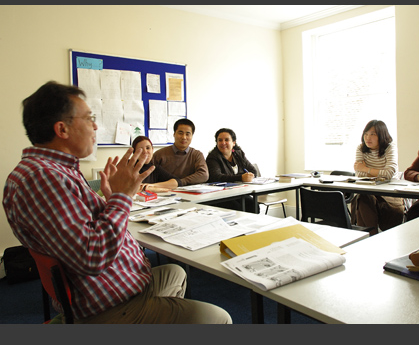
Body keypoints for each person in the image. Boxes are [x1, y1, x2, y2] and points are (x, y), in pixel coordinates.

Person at [2, 81, 232, 324]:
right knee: (220, 319)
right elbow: (92, 256)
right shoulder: (43, 178)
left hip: (116, 282)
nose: (95, 126)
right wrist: (122, 197)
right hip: (107, 302)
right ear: (62, 129)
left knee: (175, 272)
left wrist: (111, 200)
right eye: (89, 118)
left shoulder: (54, 171)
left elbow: (81, 230)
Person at [350, 120, 404, 234]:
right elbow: (359, 174)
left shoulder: (390, 148)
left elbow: (389, 173)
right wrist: (379, 173)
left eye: (373, 134)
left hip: (390, 190)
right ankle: (371, 234)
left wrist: (365, 169)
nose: (368, 138)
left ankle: (370, 234)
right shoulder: (361, 148)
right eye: (366, 134)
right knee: (363, 197)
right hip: (368, 189)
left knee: (393, 210)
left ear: (382, 135)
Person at [205, 128, 258, 213]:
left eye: (226, 140)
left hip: (239, 192)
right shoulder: (213, 157)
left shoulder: (238, 154)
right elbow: (216, 176)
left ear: (233, 142)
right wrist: (241, 177)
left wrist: (249, 176)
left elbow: (253, 171)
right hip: (221, 195)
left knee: (253, 205)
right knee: (237, 208)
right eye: (220, 140)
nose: (223, 143)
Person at [151, 118, 208, 185]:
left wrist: (180, 182)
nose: (184, 137)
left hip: (190, 193)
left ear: (192, 136)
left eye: (187, 134)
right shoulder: (159, 154)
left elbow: (204, 175)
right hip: (164, 192)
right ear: (174, 134)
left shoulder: (197, 155)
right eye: (180, 133)